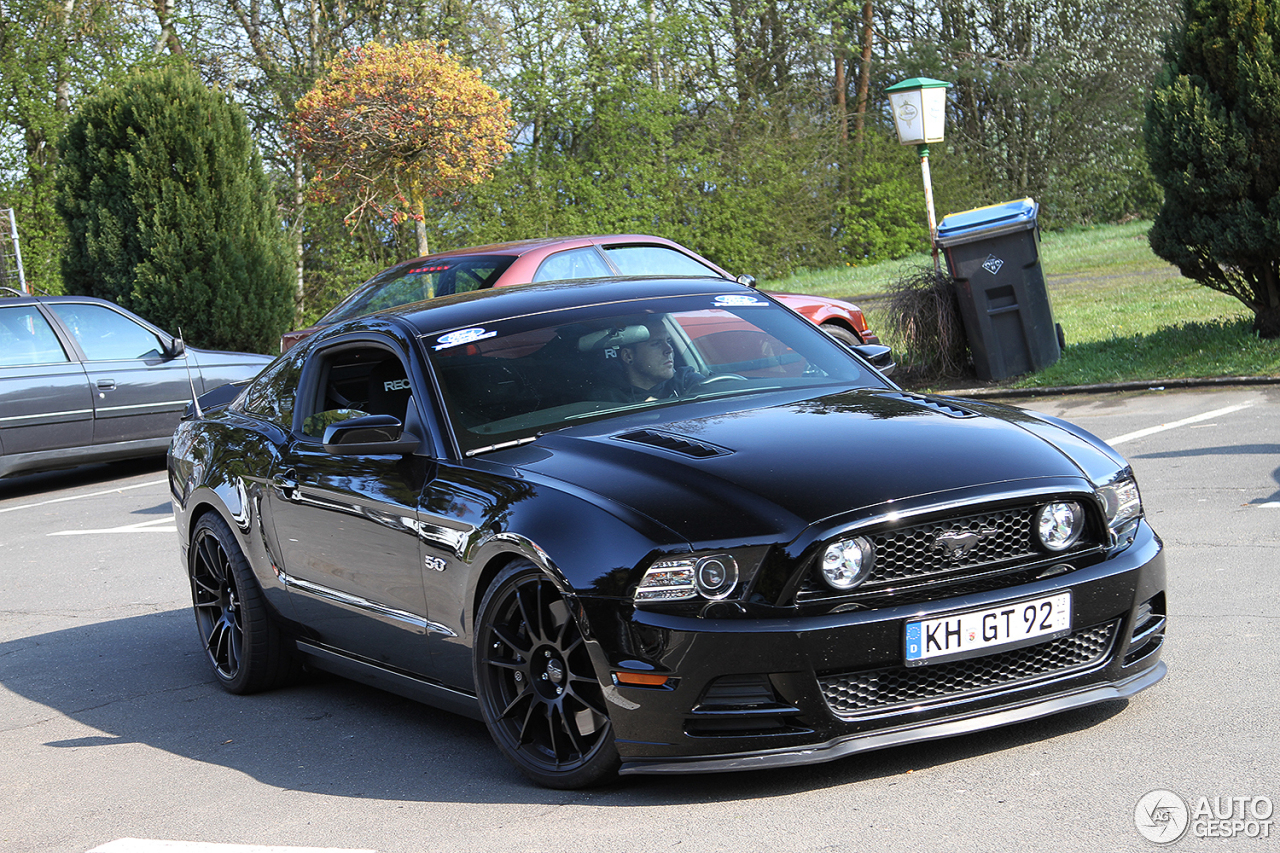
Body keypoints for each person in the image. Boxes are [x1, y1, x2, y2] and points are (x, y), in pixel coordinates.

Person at [600, 318, 705, 403]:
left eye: (668, 341)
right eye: (656, 344)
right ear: (628, 356)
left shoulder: (685, 381)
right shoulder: (608, 399)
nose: (669, 350)